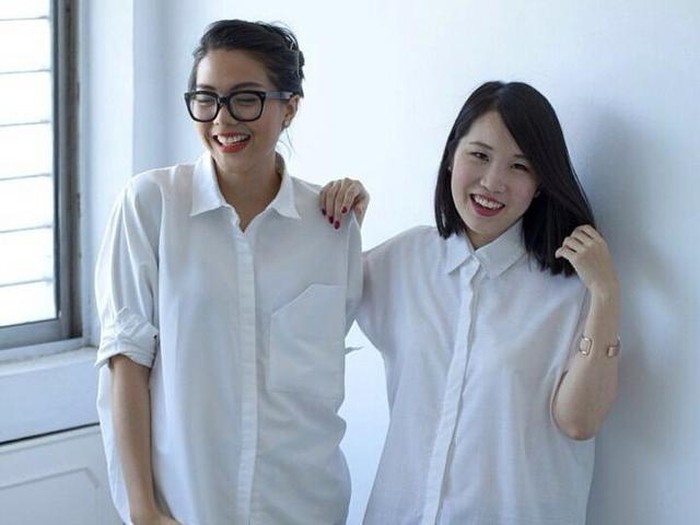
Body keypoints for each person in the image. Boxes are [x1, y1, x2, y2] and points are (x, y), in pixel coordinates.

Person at [95, 20, 361, 525]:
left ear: (290, 107)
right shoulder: (151, 205)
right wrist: (143, 510)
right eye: (207, 98)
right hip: (187, 510)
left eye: (246, 99)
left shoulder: (331, 224)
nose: (222, 119)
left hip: (307, 507)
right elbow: (125, 363)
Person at [321, 81, 620, 524]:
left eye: (519, 166)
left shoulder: (567, 288)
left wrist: (605, 295)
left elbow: (579, 422)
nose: (493, 182)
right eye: (479, 155)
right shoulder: (404, 259)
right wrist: (338, 234)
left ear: (540, 183)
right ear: (451, 156)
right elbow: (307, 327)